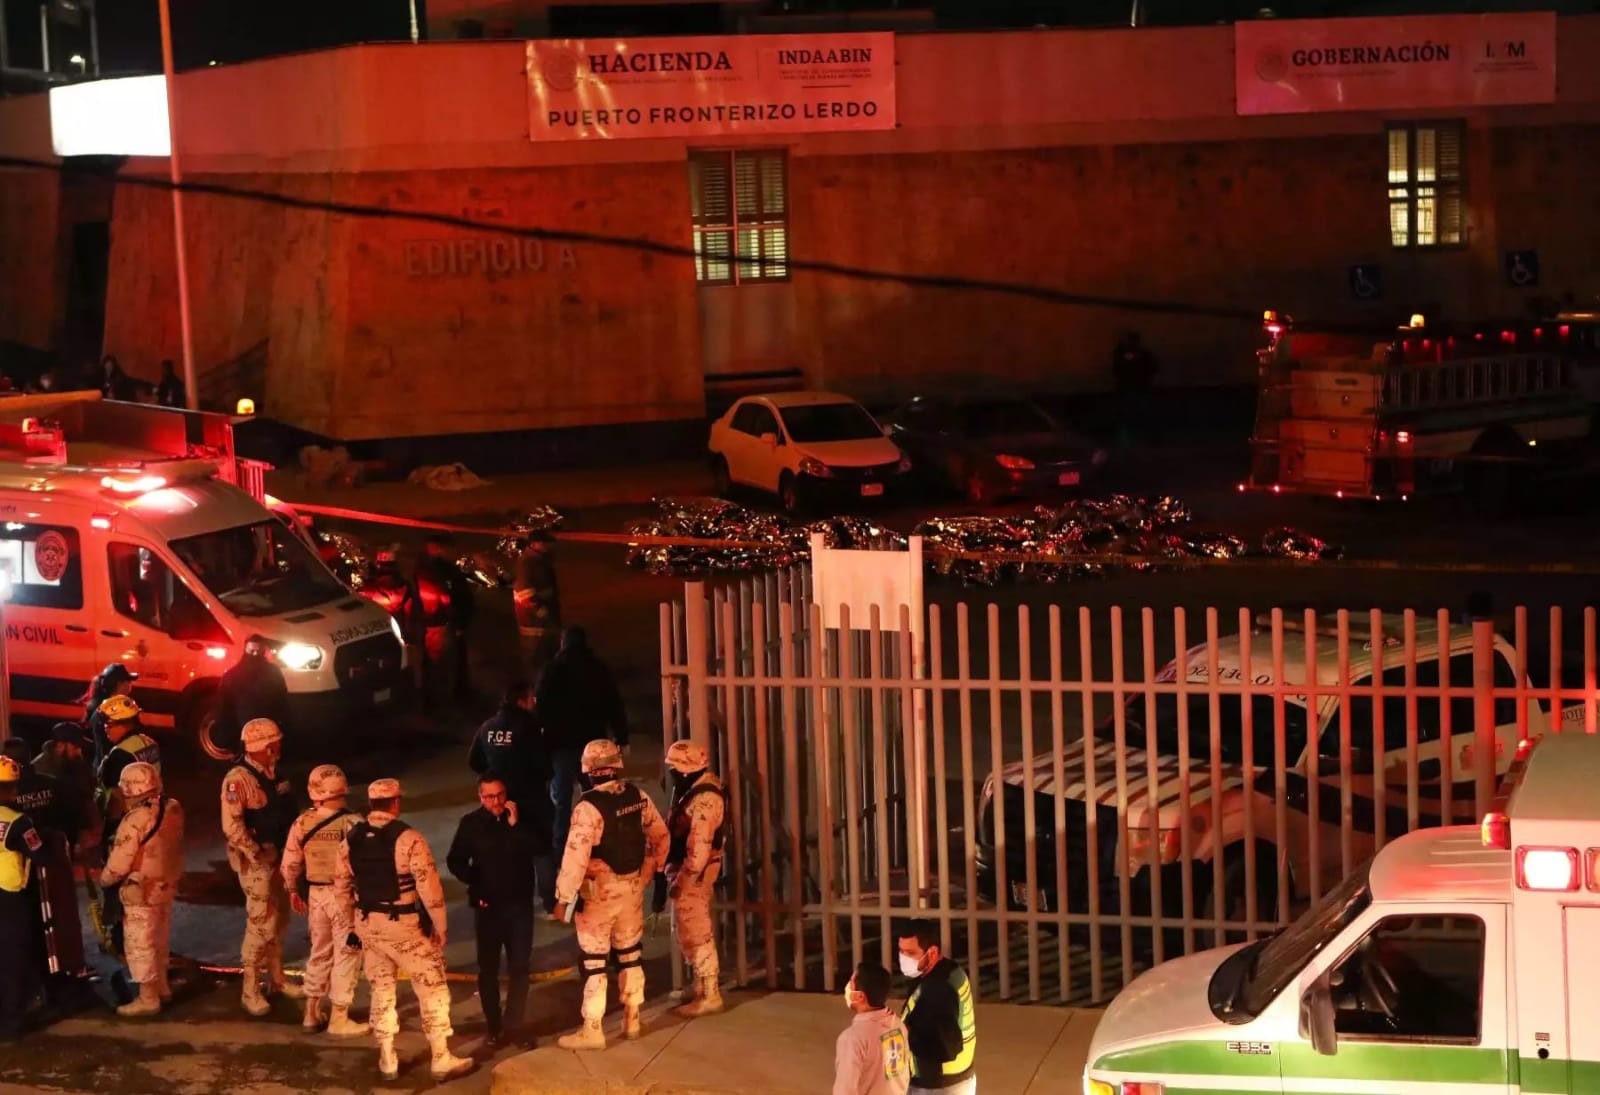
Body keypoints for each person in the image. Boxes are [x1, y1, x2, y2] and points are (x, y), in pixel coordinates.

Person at [335, 778, 472, 1080]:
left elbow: (342, 888)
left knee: (381, 989)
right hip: (404, 927)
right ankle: (440, 1056)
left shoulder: (351, 840)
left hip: (369, 925)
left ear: (371, 804)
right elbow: (429, 888)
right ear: (396, 803)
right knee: (431, 986)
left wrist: (353, 924)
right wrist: (440, 925)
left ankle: (387, 1058)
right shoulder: (409, 839)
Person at [553, 739, 670, 1051]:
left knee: (594, 961)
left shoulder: (588, 808)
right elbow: (661, 837)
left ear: (588, 770)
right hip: (632, 889)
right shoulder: (637, 796)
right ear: (617, 765)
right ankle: (633, 1019)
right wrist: (650, 871)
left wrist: (563, 899)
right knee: (630, 954)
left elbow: (575, 858)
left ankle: (592, 1029)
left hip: (599, 893)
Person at [446, 775, 544, 1049]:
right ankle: (494, 1027)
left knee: (519, 967)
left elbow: (539, 848)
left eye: (500, 794)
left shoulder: (521, 819)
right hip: (488, 908)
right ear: (480, 797)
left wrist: (516, 826)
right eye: (490, 797)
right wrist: (477, 883)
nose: (497, 801)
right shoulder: (471, 824)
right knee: (488, 969)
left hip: (519, 907)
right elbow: (455, 860)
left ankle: (514, 1026)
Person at [280, 764, 368, 1037]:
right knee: (347, 953)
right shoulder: (354, 823)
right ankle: (339, 1018)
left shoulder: (302, 822)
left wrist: (293, 890)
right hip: (344, 896)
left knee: (319, 952)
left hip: (316, 895)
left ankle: (311, 1012)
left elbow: (290, 864)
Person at [221, 718, 300, 1017]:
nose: (279, 746)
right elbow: (232, 827)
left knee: (279, 922)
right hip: (256, 864)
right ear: (264, 746)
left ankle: (277, 980)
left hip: (280, 858)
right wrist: (256, 852)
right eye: (275, 742)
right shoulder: (237, 780)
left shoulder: (276, 773)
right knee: (260, 926)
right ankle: (250, 991)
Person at [98, 762, 183, 1017]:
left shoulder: (135, 819)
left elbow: (118, 865)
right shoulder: (172, 807)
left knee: (140, 944)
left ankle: (148, 998)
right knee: (159, 939)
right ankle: (162, 988)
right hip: (165, 884)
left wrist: (104, 880)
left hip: (140, 890)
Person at [537, 626, 628, 853]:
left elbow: (541, 707)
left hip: (561, 745)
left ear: (563, 643)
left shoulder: (553, 669)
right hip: (593, 744)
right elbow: (614, 704)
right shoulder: (598, 669)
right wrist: (621, 737)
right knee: (596, 796)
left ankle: (561, 849)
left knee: (562, 801)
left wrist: (541, 739)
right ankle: (599, 843)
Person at [663, 739, 726, 1018]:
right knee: (688, 928)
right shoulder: (695, 789)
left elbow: (699, 851)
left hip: (694, 874)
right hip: (690, 871)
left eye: (675, 769)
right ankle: (702, 987)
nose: (672, 774)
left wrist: (682, 882)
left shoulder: (705, 799)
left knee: (697, 930)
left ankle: (710, 994)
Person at [897, 920, 977, 1095]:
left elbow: (947, 1048)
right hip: (950, 1080)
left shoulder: (939, 990)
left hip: (939, 1086)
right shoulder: (949, 971)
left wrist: (905, 1036)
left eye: (911, 953)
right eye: (901, 951)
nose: (904, 958)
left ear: (932, 952)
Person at [0, 756, 43, 1041]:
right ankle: (11, 1022)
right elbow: (40, 853)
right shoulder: (18, 821)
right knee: (14, 959)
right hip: (10, 899)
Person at [835, 961, 912, 1095]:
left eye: (851, 983)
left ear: (860, 996)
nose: (847, 987)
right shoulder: (898, 1025)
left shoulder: (853, 1039)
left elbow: (845, 1090)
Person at [96, 696, 161, 836]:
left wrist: (110, 831)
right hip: (156, 812)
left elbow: (116, 797)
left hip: (129, 821)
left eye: (108, 724)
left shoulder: (119, 754)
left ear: (123, 724)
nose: (105, 729)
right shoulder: (149, 742)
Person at [422, 534, 475, 703]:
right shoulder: (439, 571)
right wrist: (459, 623)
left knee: (447, 662)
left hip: (443, 624)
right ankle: (449, 697)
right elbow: (453, 598)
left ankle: (449, 695)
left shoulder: (433, 569)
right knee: (447, 663)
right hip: (444, 625)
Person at [215, 636, 291, 754]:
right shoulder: (232, 676)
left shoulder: (273, 672)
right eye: (252, 651)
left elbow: (282, 702)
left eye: (257, 652)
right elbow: (224, 710)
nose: (255, 655)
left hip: (264, 734)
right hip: (246, 735)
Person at [511, 533, 561, 683]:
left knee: (547, 660)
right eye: (543, 543)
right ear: (533, 544)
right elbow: (525, 595)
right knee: (536, 661)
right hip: (534, 624)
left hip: (542, 621)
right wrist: (543, 614)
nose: (548, 546)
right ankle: (536, 690)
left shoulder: (539, 560)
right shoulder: (527, 563)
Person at [80, 663, 138, 767]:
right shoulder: (106, 713)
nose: (130, 685)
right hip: (107, 769)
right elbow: (105, 749)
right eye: (128, 681)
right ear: (119, 684)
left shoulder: (109, 709)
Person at [1111, 330, 1158, 449]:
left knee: (1130, 417)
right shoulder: (1142, 354)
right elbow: (1152, 368)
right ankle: (1134, 441)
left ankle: (1129, 442)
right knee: (1135, 416)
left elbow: (1117, 370)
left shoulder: (1124, 354)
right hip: (1135, 389)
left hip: (1133, 389)